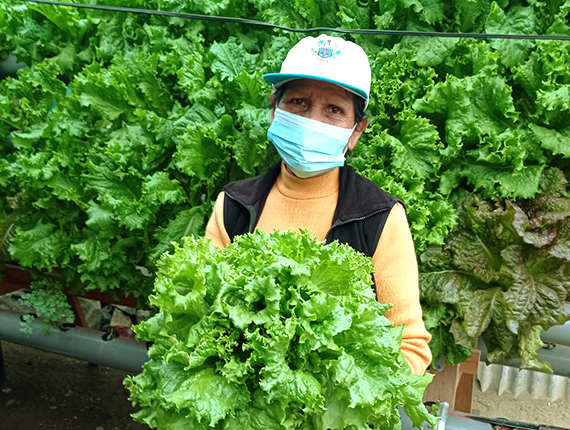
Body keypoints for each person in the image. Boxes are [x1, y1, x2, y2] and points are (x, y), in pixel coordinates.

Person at [205, 34, 432, 375]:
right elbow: (200, 316)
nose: (313, 121)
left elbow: (411, 348)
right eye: (298, 102)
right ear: (273, 109)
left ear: (356, 131)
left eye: (335, 110)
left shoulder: (380, 218)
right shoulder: (234, 206)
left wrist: (327, 396)